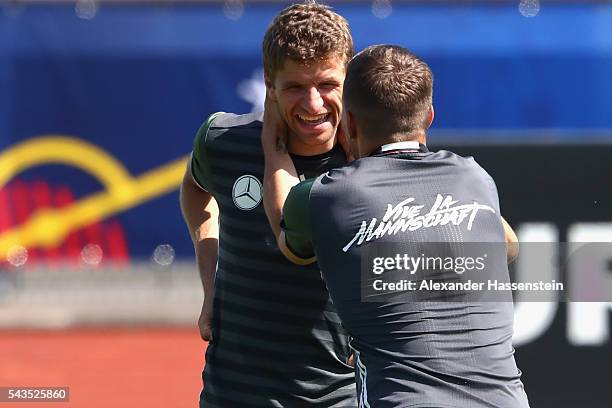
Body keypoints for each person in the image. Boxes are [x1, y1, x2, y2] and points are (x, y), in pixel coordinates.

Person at [262, 45, 529, 407]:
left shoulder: (326, 196)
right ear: (429, 116)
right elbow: (509, 246)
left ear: (350, 122)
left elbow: (285, 233)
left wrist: (273, 144)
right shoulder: (474, 177)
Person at [179, 2, 357, 407]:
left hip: (337, 398)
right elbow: (194, 189)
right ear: (269, 84)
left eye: (327, 84)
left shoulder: (371, 161)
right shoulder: (222, 140)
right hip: (233, 395)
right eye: (295, 87)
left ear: (350, 80)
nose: (313, 104)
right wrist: (210, 280)